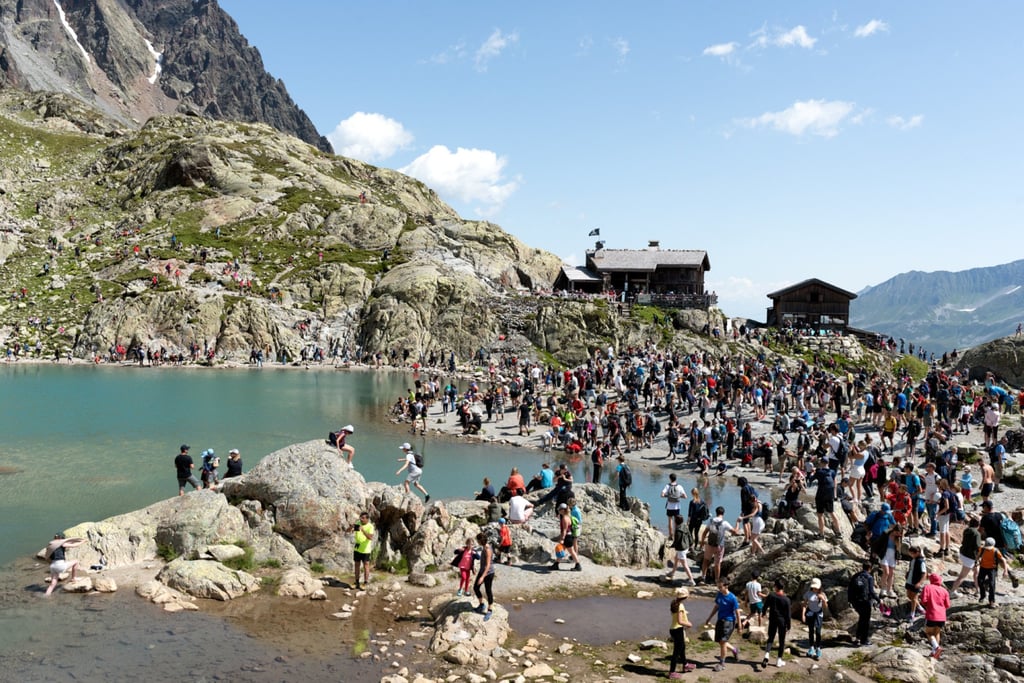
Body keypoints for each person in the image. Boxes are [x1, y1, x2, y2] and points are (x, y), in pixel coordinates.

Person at [703, 579, 742, 672]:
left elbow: (737, 612)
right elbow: (716, 607)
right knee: (720, 642)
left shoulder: (732, 598)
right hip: (720, 620)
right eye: (718, 587)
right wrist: (709, 618)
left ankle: (722, 663)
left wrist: (739, 625)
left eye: (720, 587)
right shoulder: (719, 594)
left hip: (729, 622)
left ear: (726, 586)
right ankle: (735, 650)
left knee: (723, 642)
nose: (719, 589)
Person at [701, 506, 740, 585]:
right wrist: (738, 523)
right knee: (717, 564)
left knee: (705, 561)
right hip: (719, 546)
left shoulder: (710, 521)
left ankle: (703, 578)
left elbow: (704, 533)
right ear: (723, 513)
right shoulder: (724, 523)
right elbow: (735, 532)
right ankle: (717, 580)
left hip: (710, 545)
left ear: (716, 513)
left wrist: (702, 542)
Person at [761, 579, 792, 669]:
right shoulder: (786, 600)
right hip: (782, 622)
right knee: (781, 640)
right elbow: (788, 615)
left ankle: (767, 655)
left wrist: (763, 613)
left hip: (773, 619)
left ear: (776, 586)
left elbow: (765, 605)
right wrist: (789, 625)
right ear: (783, 587)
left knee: (771, 638)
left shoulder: (771, 595)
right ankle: (779, 660)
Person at [848, 560, 879, 646]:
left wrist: (850, 600)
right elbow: (871, 592)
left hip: (855, 601)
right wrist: (879, 600)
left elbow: (850, 589)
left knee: (861, 619)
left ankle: (857, 638)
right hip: (865, 602)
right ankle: (864, 640)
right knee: (865, 621)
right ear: (870, 568)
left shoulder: (855, 576)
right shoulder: (869, 577)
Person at [919, 573, 950, 659]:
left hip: (932, 614)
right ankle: (934, 653)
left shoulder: (928, 587)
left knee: (928, 633)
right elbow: (947, 605)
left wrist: (927, 606)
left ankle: (936, 647)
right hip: (942, 616)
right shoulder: (944, 591)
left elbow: (924, 600)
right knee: (937, 633)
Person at [950, 517, 982, 598]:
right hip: (970, 557)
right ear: (978, 524)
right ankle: (952, 591)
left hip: (963, 553)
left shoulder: (966, 530)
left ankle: (978, 590)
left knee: (976, 572)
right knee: (962, 576)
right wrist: (979, 557)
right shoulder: (977, 533)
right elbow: (978, 547)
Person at [668, 587, 696, 678]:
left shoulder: (674, 603)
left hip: (673, 629)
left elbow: (676, 616)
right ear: (685, 597)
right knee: (676, 652)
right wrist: (688, 624)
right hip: (678, 630)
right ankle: (672, 672)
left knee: (682, 648)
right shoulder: (680, 606)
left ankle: (685, 665)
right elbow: (680, 621)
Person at [977, 536, 1011, 608]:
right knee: (979, 581)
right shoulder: (982, 549)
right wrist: (976, 561)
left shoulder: (996, 551)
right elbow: (978, 555)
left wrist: (1005, 571)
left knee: (992, 585)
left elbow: (1004, 560)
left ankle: (992, 601)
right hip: (983, 567)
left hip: (992, 569)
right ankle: (983, 595)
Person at [802, 577, 827, 660]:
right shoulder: (808, 593)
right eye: (814, 587)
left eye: (817, 587)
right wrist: (803, 615)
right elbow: (805, 604)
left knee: (818, 632)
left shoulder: (822, 594)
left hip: (819, 614)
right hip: (810, 613)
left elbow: (825, 607)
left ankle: (818, 648)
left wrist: (823, 599)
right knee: (811, 631)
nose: (815, 588)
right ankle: (811, 647)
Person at [552, 503, 582, 571]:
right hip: (569, 536)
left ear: (562, 510)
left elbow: (564, 530)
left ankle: (578, 565)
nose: (558, 510)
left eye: (559, 509)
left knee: (571, 552)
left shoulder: (565, 518)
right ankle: (556, 564)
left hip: (567, 537)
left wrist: (562, 538)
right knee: (562, 549)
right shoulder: (568, 517)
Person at [473, 531, 496, 621]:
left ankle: (490, 609)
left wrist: (482, 577)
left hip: (489, 573)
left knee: (488, 590)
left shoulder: (487, 549)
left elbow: (488, 565)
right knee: (476, 587)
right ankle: (482, 605)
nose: (477, 542)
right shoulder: (484, 547)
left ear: (480, 541)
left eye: (477, 540)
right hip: (482, 571)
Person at [904, 545, 927, 622]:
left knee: (914, 598)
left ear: (916, 553)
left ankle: (912, 614)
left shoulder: (921, 561)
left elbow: (924, 574)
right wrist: (907, 574)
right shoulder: (913, 560)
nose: (910, 555)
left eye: (911, 553)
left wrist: (919, 583)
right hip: (909, 580)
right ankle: (920, 608)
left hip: (915, 582)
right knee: (909, 595)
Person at [352, 511, 374, 589]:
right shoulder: (358, 523)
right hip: (357, 548)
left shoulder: (370, 526)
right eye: (360, 518)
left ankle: (365, 583)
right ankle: (356, 582)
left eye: (363, 518)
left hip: (365, 549)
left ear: (367, 519)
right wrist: (351, 527)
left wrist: (363, 530)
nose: (361, 519)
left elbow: (370, 538)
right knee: (357, 565)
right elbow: (349, 530)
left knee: (366, 566)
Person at [661, 473, 688, 538]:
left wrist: (668, 496)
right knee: (677, 522)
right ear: (676, 479)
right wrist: (678, 496)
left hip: (669, 506)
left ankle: (671, 535)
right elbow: (685, 496)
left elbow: (662, 495)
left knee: (670, 521)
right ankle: (676, 535)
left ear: (670, 479)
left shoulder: (667, 486)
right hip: (677, 507)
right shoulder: (680, 486)